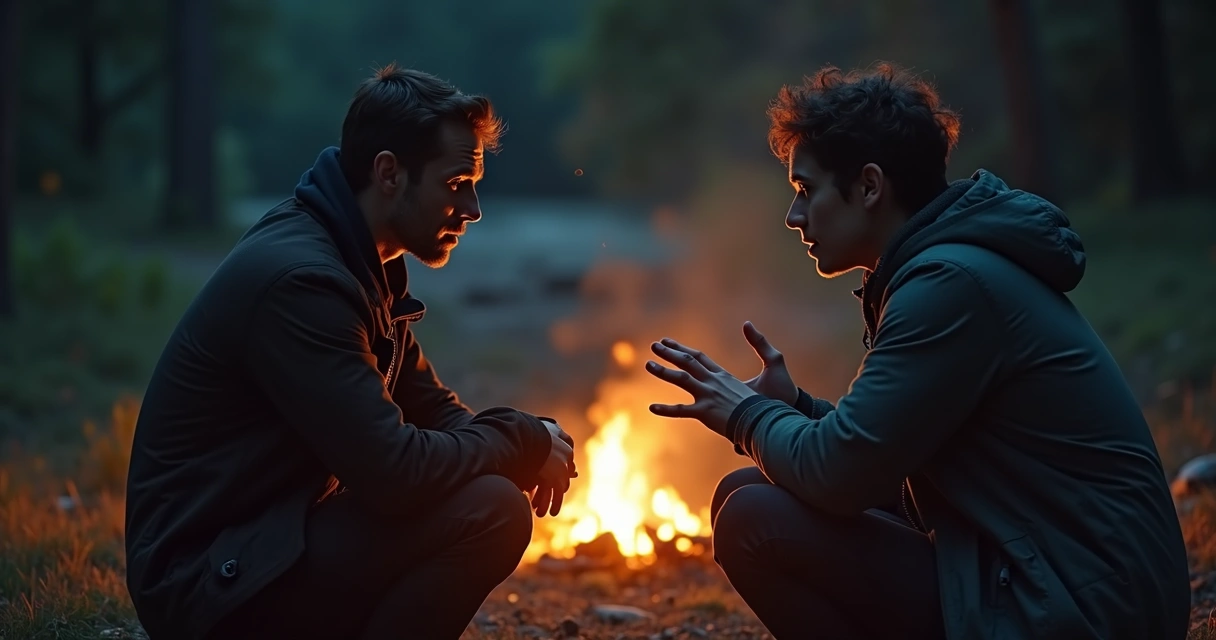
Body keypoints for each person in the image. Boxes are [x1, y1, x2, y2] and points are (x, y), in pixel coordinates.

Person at [644, 63, 1190, 640]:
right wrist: (797, 408)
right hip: (1050, 578)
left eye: (806, 190)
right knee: (744, 490)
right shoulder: (943, 271)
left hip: (1084, 608)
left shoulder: (949, 286)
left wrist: (749, 416)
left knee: (755, 521)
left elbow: (841, 475)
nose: (793, 215)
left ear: (871, 186)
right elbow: (884, 458)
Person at [124, 65, 577, 640]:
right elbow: (396, 473)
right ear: (389, 172)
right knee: (491, 511)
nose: (473, 211)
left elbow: (432, 410)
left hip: (265, 543)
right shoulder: (304, 283)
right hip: (205, 585)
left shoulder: (362, 257)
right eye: (457, 184)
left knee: (488, 494)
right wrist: (520, 439)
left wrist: (522, 446)